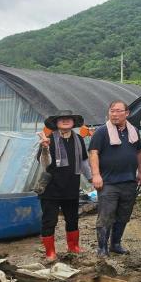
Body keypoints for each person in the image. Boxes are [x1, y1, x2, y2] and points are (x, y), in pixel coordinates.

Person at [89, 100, 141, 257]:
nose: (114, 114)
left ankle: (115, 244)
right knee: (106, 216)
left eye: (118, 111)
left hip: (129, 181)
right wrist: (96, 175)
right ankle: (102, 247)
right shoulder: (101, 132)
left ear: (127, 113)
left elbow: (139, 152)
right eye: (112, 111)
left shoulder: (133, 130)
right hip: (108, 182)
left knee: (123, 215)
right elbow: (93, 153)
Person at [36, 110, 91, 261]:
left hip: (71, 186)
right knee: (49, 220)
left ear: (74, 123)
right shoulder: (48, 139)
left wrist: (93, 179)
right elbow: (45, 164)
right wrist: (45, 148)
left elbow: (84, 163)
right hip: (51, 189)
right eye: (62, 119)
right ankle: (50, 252)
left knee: (73, 219)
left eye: (69, 118)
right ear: (56, 123)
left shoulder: (79, 139)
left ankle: (73, 247)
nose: (66, 120)